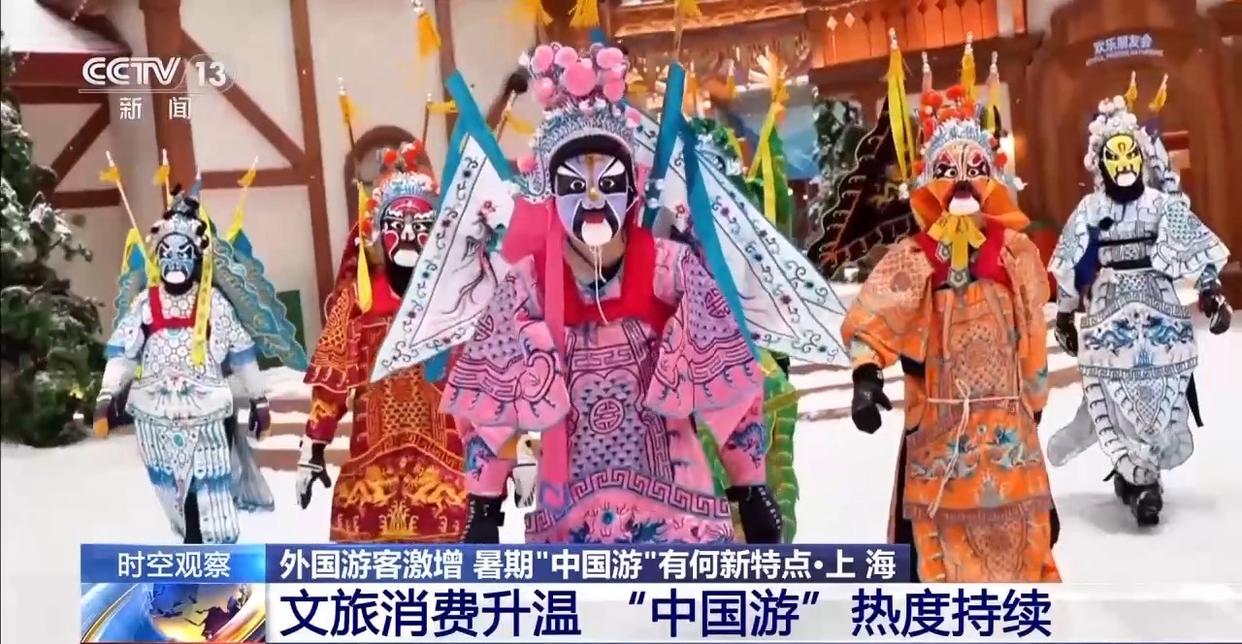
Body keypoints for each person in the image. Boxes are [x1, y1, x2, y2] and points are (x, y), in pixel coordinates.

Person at [841, 40, 1059, 581]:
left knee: (1020, 551)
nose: (962, 177)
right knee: (943, 562)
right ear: (930, 180)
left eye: (974, 166)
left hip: (1007, 429)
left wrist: (1033, 400)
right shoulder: (917, 256)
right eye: (948, 167)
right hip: (941, 428)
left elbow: (1032, 331)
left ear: (991, 176)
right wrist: (866, 374)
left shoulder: (1015, 253)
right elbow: (877, 314)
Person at [1047, 94, 1231, 526]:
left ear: (1141, 157)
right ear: (1101, 162)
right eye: (1114, 155)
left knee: (1162, 388)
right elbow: (1072, 261)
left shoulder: (1161, 204)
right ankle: (1137, 476)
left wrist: (1211, 292)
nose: (1124, 163)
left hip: (1159, 307)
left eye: (1130, 152)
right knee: (1113, 393)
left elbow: (1192, 245)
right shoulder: (1091, 209)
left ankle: (1145, 472)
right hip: (1108, 312)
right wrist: (1065, 313)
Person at [95, 186, 303, 543]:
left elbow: (241, 354)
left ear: (196, 256)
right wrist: (107, 394)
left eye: (184, 252)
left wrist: (259, 399)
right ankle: (189, 544)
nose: (175, 260)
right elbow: (123, 354)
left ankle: (217, 559)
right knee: (175, 495)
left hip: (207, 411)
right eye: (168, 252)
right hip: (156, 414)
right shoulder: (146, 304)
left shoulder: (214, 303)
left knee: (210, 491)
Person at [296, 142, 469, 542]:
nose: (407, 234)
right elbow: (331, 384)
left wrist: (508, 451)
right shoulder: (359, 301)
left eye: (419, 224)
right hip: (372, 472)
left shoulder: (455, 300)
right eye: (396, 223)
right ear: (377, 231)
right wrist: (314, 446)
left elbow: (483, 378)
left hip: (444, 472)